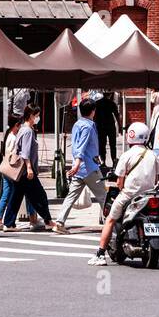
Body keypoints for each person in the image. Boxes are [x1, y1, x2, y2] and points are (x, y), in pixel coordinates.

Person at [88, 122, 159, 265]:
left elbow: (119, 182)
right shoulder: (152, 155)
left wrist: (122, 186)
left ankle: (100, 253)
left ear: (130, 135)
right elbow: (157, 178)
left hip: (129, 195)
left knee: (110, 219)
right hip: (150, 195)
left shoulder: (126, 155)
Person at [53, 98, 108, 232]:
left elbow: (76, 145)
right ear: (93, 111)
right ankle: (112, 223)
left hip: (79, 169)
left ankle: (60, 222)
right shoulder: (88, 126)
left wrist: (75, 164)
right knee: (103, 197)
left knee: (71, 196)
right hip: (89, 167)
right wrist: (78, 162)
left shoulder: (77, 124)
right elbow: (81, 146)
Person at [2, 105, 55, 231]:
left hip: (21, 171)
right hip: (26, 171)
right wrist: (30, 168)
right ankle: (48, 220)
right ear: (31, 116)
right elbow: (25, 152)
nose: (38, 118)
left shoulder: (23, 129)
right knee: (40, 196)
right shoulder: (28, 131)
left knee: (16, 196)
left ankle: (9, 223)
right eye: (37, 116)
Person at [0, 118, 37, 230]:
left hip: (6, 169)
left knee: (6, 194)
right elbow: (16, 154)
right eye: (19, 126)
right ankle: (33, 218)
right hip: (14, 170)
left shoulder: (8, 135)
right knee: (28, 192)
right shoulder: (13, 137)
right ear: (16, 126)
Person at [94, 90, 120, 169]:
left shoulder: (97, 103)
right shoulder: (112, 103)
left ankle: (103, 162)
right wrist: (120, 126)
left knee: (102, 145)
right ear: (110, 95)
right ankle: (114, 162)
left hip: (100, 126)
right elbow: (117, 115)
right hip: (110, 126)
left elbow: (94, 116)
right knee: (113, 145)